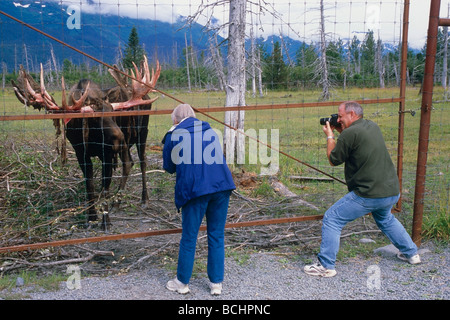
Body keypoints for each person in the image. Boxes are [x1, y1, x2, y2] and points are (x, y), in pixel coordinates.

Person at [304, 101, 420, 278]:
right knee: (385, 218)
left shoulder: (349, 134)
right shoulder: (371, 126)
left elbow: (333, 159)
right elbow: (354, 141)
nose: (338, 119)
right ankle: (412, 253)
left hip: (369, 194)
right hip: (391, 191)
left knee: (333, 218)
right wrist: (342, 131)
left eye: (340, 116)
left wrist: (330, 136)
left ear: (351, 114)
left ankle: (326, 265)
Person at [162, 104, 236, 294]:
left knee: (189, 237)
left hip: (196, 190)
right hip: (221, 186)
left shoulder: (174, 135)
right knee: (216, 234)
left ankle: (182, 283)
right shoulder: (209, 130)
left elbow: (169, 167)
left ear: (176, 120)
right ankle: (216, 283)